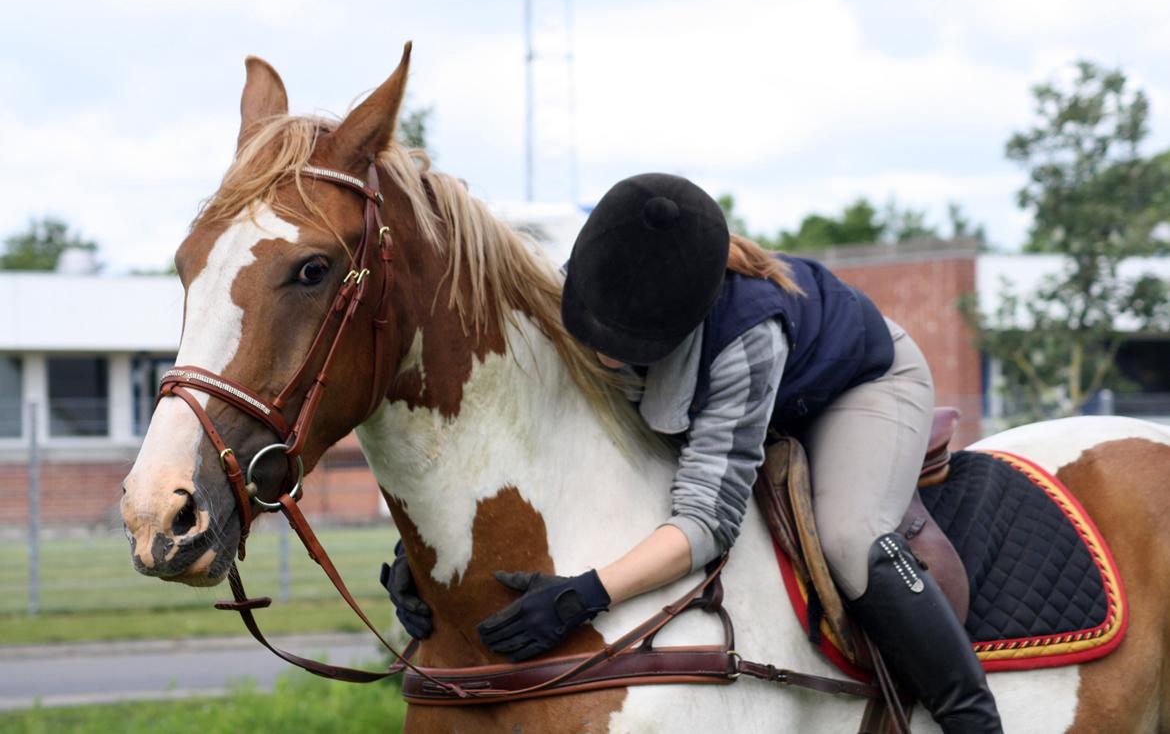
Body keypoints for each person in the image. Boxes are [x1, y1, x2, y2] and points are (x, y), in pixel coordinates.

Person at [381, 173, 1002, 733]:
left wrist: (586, 594)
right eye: (597, 334)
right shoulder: (599, 276)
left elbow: (708, 520)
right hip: (735, 392)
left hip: (861, 386)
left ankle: (969, 714)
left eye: (627, 343)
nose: (605, 356)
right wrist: (424, 558)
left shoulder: (746, 335)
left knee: (851, 537)